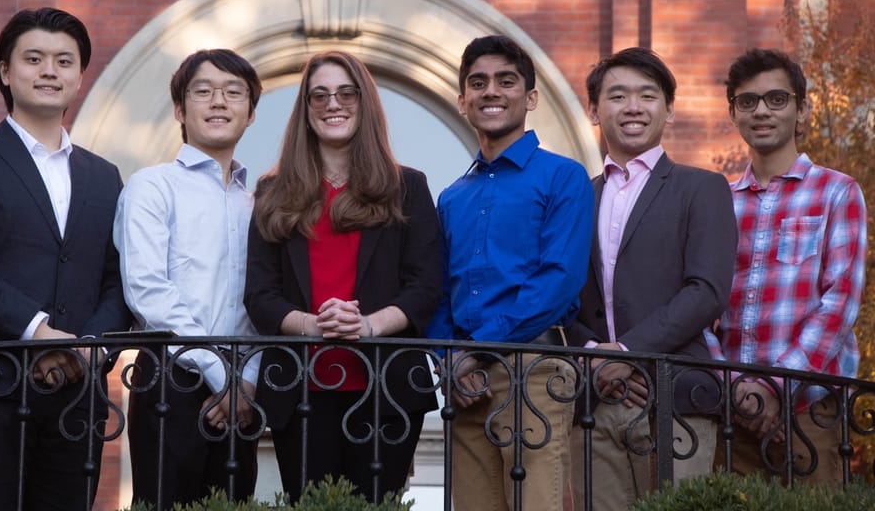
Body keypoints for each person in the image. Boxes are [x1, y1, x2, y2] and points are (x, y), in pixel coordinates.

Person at [0, 7, 132, 510]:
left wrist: (86, 348)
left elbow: (118, 280)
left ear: (80, 75)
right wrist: (37, 331)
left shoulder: (104, 176)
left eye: (64, 61)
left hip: (77, 393)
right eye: (33, 59)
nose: (49, 71)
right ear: (5, 71)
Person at [244, 50, 441, 502]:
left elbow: (425, 286)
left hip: (387, 390)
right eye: (320, 95)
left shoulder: (407, 187)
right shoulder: (273, 192)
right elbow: (260, 294)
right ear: (306, 109)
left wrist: (368, 325)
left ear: (364, 101)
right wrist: (313, 325)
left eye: (346, 93)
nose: (333, 104)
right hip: (299, 391)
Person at [425, 34, 594, 511]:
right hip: (465, 384)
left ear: (531, 97)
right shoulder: (452, 196)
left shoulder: (563, 176)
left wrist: (476, 349)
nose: (491, 91)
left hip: (534, 369)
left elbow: (559, 280)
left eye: (506, 81)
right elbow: (438, 291)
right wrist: (447, 357)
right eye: (478, 83)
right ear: (462, 101)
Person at [566, 47, 736, 510]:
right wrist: (594, 357)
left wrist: (626, 354)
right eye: (617, 95)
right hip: (593, 402)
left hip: (675, 396)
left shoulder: (703, 188)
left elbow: (707, 291)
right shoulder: (578, 196)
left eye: (647, 95)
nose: (633, 107)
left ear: (670, 109)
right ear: (594, 110)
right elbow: (559, 296)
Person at [706, 48, 867, 483]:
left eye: (777, 99)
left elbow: (840, 304)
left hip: (810, 412)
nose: (761, 111)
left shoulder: (837, 192)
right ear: (733, 113)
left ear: (802, 110)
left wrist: (775, 386)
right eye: (747, 101)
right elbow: (700, 304)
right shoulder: (717, 202)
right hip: (732, 413)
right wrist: (737, 389)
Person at [114, 49, 263, 509]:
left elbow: (264, 301)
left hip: (243, 396)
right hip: (170, 380)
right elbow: (147, 291)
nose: (218, 101)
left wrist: (247, 382)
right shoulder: (152, 186)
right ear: (180, 109)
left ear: (251, 113)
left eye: (233, 92)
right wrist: (222, 376)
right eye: (203, 91)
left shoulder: (259, 204)